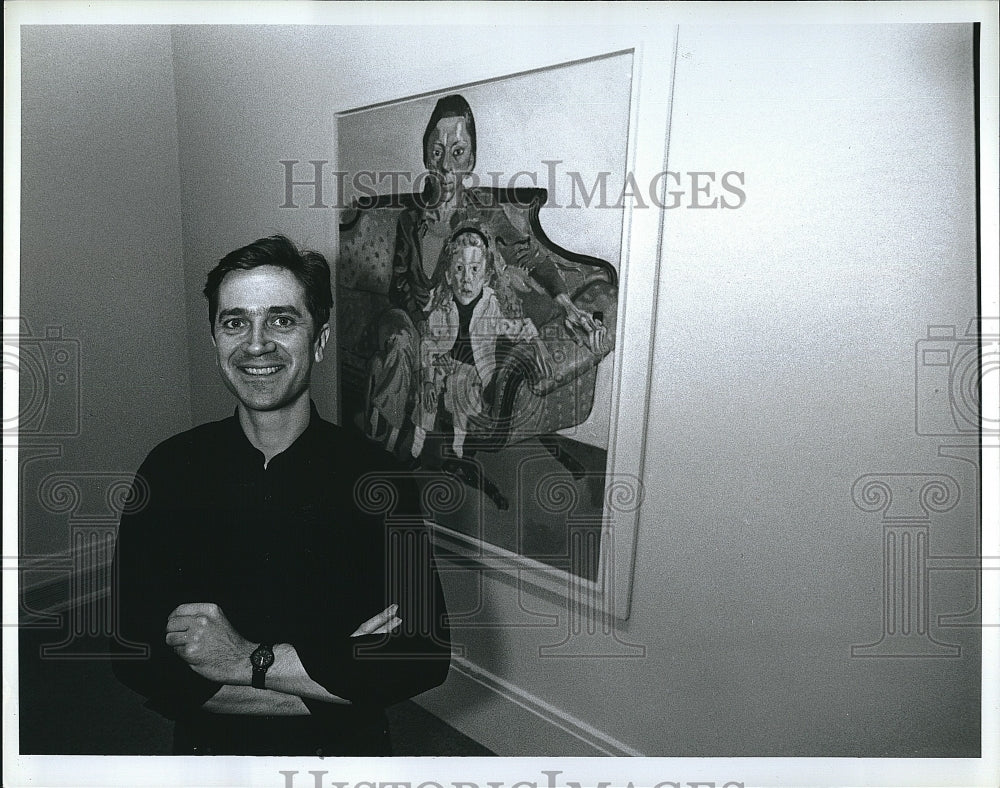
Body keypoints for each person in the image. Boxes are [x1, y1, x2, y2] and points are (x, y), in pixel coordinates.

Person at [112, 235, 450, 756]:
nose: (256, 343)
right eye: (235, 322)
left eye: (282, 319)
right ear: (215, 339)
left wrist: (243, 659)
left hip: (343, 759)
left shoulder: (378, 477)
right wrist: (336, 675)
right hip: (211, 758)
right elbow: (134, 654)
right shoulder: (168, 471)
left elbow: (420, 655)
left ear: (318, 340)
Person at [364, 93, 604, 454]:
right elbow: (398, 289)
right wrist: (422, 322)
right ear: (425, 155)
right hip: (412, 320)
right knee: (399, 344)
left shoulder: (485, 212)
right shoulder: (410, 219)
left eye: (458, 152)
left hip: (461, 322)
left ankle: (398, 447)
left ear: (472, 159)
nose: (446, 166)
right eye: (437, 151)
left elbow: (533, 258)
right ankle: (380, 444)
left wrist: (568, 306)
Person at [410, 228, 543, 462]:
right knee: (428, 391)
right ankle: (419, 436)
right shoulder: (443, 305)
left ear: (486, 276)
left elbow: (507, 328)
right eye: (459, 269)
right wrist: (429, 378)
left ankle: (458, 439)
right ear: (449, 276)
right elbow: (429, 341)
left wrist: (528, 330)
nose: (466, 278)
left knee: (460, 385)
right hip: (445, 361)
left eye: (474, 270)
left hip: (474, 369)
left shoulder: (490, 306)